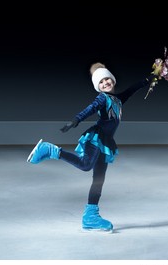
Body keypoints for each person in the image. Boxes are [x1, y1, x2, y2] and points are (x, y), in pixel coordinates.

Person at [27, 62, 156, 233]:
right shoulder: (103, 98)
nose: (105, 83)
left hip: (106, 143)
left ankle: (91, 217)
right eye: (101, 82)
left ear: (112, 80)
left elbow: (133, 89)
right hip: (96, 138)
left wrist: (151, 78)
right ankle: (50, 150)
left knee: (99, 179)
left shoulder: (117, 99)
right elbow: (92, 108)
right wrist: (76, 120)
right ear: (98, 87)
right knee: (85, 165)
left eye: (107, 79)